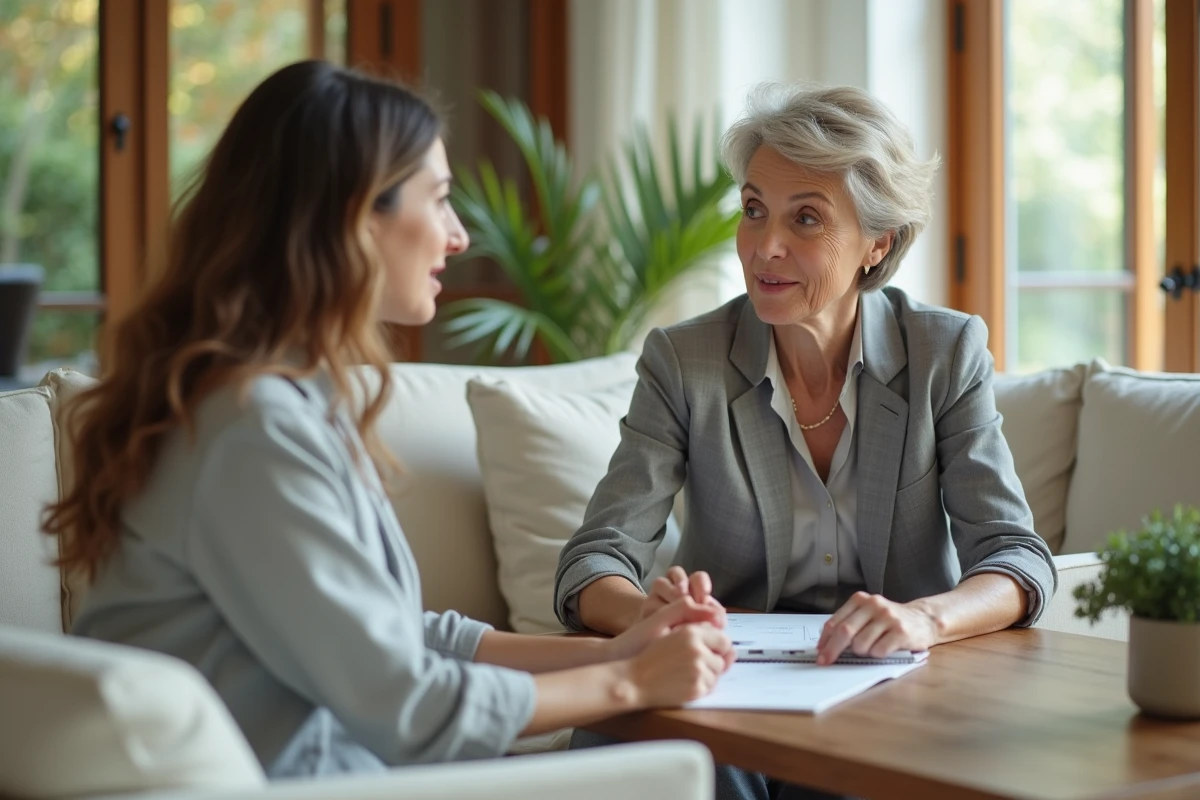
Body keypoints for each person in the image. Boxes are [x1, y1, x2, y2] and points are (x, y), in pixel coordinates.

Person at [42, 60, 734, 778]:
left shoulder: (276, 405)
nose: (458, 236)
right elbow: (409, 707)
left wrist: (621, 649)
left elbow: (404, 638)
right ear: (353, 215)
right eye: (437, 200)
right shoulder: (253, 431)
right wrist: (628, 684)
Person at [555, 83, 1058, 798]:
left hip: (891, 690)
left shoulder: (945, 353)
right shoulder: (683, 361)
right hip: (727, 687)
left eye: (807, 218)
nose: (765, 246)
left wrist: (922, 619)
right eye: (754, 209)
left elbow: (1016, 558)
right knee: (635, 743)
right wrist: (657, 619)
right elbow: (592, 562)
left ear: (876, 245)